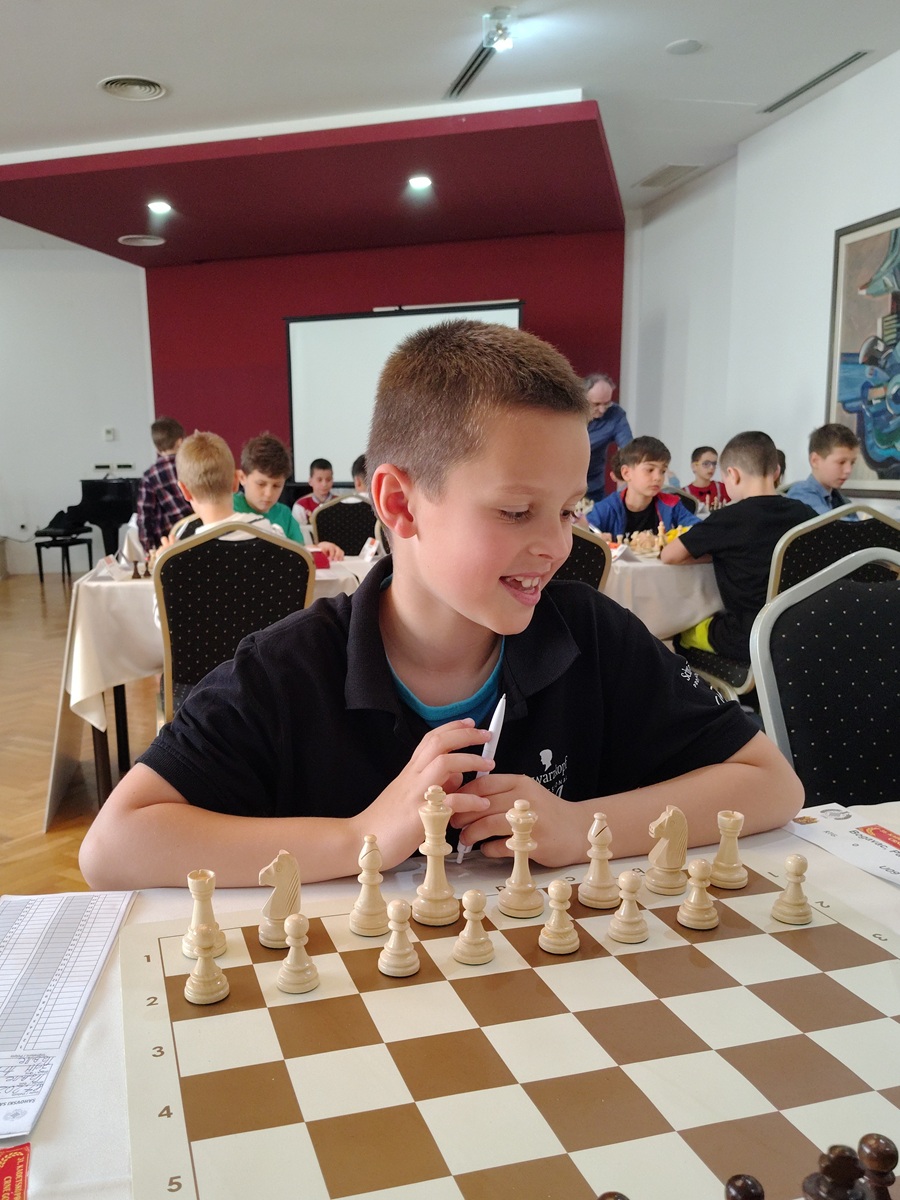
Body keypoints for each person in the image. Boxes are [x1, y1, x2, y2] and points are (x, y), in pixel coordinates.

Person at [79, 322, 802, 890]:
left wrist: (582, 826)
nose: (557, 547)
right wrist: (359, 836)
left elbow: (772, 783)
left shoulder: (590, 633)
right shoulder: (287, 668)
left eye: (569, 511)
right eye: (516, 511)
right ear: (400, 504)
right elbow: (112, 847)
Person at [661, 431, 817, 662]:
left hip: (746, 637)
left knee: (681, 631)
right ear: (776, 471)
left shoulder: (728, 518)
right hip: (801, 630)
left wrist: (717, 554)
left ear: (732, 475)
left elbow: (669, 555)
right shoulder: (805, 513)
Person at [234, 435, 343, 560]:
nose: (268, 493)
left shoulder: (284, 514)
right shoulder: (228, 509)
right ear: (242, 478)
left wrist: (317, 549)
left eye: (276, 486)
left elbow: (298, 553)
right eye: (261, 484)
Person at [586, 436, 701, 538]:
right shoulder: (606, 508)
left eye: (662, 471)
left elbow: (701, 530)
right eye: (650, 470)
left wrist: (666, 539)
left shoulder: (672, 505)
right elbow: (585, 534)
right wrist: (597, 539)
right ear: (626, 473)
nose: (658, 477)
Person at [136, 417, 193, 553]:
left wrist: (149, 549)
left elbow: (144, 517)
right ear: (180, 442)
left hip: (168, 544)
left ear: (156, 446)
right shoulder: (193, 467)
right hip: (198, 535)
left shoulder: (149, 477)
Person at [787, 424, 860, 514]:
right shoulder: (800, 495)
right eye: (841, 462)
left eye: (852, 463)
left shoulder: (842, 501)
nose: (848, 470)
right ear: (815, 461)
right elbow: (831, 521)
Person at [584, 374, 632, 501]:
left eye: (607, 403)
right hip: (561, 486)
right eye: (596, 404)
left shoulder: (615, 415)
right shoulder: (566, 412)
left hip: (593, 487)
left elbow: (629, 449)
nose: (602, 410)